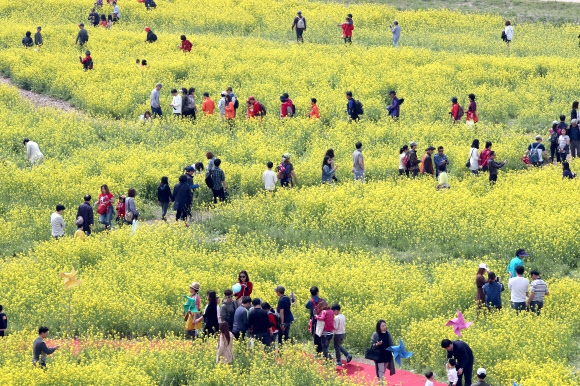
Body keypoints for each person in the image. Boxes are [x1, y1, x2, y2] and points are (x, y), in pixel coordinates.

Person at [305, 287, 325, 354]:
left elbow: (306, 306)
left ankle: (318, 352)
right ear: (318, 292)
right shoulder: (322, 301)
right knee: (321, 336)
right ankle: (322, 350)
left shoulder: (310, 302)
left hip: (314, 321)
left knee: (315, 337)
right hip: (321, 321)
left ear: (311, 293)